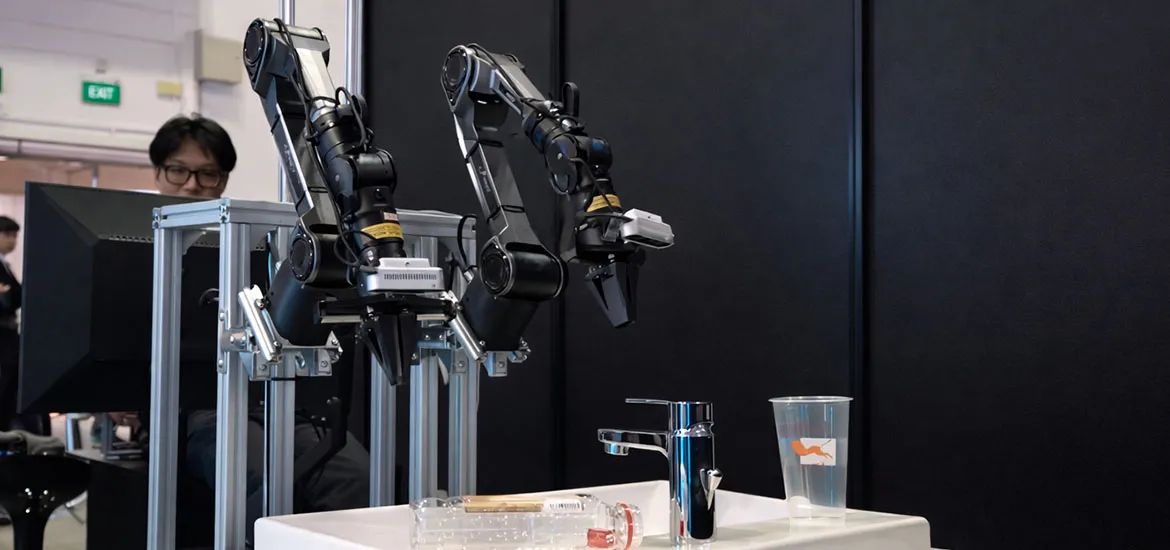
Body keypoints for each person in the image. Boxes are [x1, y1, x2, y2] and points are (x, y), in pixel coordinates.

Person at [139, 114, 371, 542]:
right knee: (256, 474)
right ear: (158, 172)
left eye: (208, 174)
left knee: (354, 475)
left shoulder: (255, 244)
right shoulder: (133, 246)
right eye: (178, 170)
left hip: (274, 399)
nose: (192, 185)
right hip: (194, 411)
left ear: (223, 180)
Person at [0, 216, 47, 435]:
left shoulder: (5, 266)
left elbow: (17, 297)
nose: (13, 241)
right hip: (2, 337)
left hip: (10, 336)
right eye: (8, 235)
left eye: (15, 236)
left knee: (10, 392)